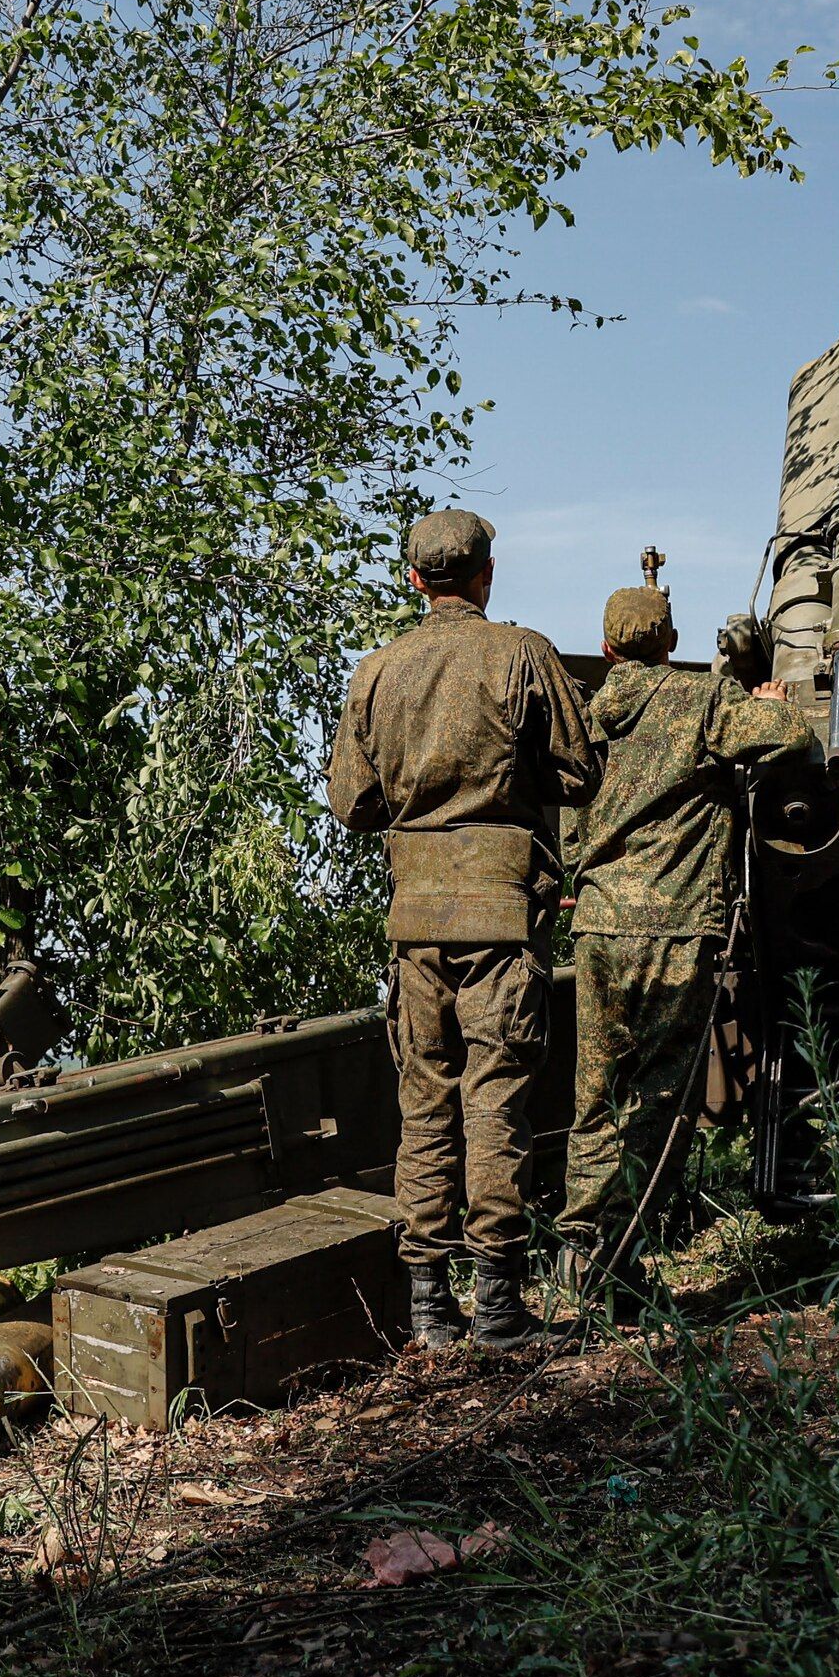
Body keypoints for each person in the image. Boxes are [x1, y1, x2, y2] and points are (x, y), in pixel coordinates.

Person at [327, 510, 598, 1351]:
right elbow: (580, 772)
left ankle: (430, 1311)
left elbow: (353, 805)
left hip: (415, 922)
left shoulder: (376, 671)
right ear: (486, 574)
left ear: (414, 579)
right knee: (494, 1103)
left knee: (426, 1105)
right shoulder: (522, 653)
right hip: (500, 916)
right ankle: (501, 1309)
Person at [560, 579, 815, 1303]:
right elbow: (793, 741)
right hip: (673, 927)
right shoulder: (700, 700)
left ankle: (578, 1244)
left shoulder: (588, 716)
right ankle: (617, 1263)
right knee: (661, 1099)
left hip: (598, 924)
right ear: (669, 643)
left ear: (607, 647)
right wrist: (767, 706)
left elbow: (569, 820)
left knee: (594, 1096)